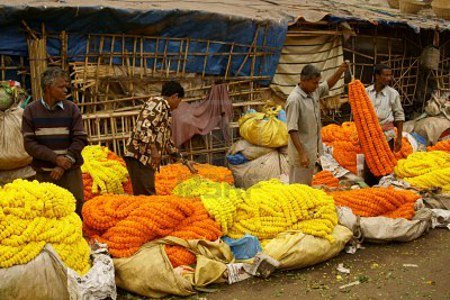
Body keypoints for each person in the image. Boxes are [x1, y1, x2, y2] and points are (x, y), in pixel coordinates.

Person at [22, 67, 88, 217]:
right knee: (47, 212)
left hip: (70, 172)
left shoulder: (72, 109)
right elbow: (30, 144)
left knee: (76, 210)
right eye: (61, 87)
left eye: (66, 86)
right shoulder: (31, 111)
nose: (66, 90)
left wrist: (64, 164)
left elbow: (80, 138)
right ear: (48, 88)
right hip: (45, 173)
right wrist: (56, 159)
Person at [286, 61, 350, 185]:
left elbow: (327, 85)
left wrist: (341, 70)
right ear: (303, 80)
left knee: (306, 184)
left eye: (318, 82)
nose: (317, 86)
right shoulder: (295, 100)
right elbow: (292, 129)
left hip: (310, 150)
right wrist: (302, 153)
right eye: (314, 83)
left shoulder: (313, 91)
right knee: (298, 187)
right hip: (301, 152)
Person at [124, 80, 184, 195]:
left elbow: (167, 142)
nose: (178, 106)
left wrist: (183, 161)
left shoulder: (166, 112)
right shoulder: (157, 103)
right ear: (175, 96)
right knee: (146, 194)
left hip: (146, 159)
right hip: (139, 156)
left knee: (146, 193)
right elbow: (142, 127)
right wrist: (154, 150)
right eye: (179, 101)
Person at [364, 63, 405, 186]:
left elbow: (399, 115)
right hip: (369, 137)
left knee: (384, 165)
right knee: (370, 166)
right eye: (385, 75)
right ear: (377, 76)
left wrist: (399, 137)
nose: (388, 78)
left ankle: (383, 188)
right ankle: (370, 189)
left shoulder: (393, 94)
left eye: (390, 75)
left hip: (386, 136)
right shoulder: (366, 92)